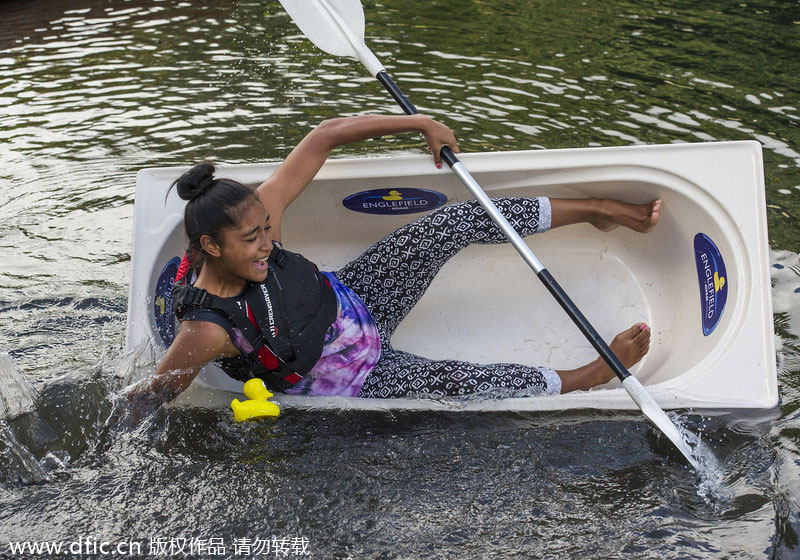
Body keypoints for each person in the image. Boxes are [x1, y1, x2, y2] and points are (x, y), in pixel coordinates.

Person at [124, 114, 658, 411]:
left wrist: (419, 122)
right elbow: (145, 401)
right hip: (353, 378)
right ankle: (588, 375)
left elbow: (324, 135)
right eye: (251, 238)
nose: (268, 242)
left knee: (448, 224)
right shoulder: (206, 328)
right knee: (461, 383)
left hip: (357, 297)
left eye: (268, 227)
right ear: (212, 247)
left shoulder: (259, 219)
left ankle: (599, 210)